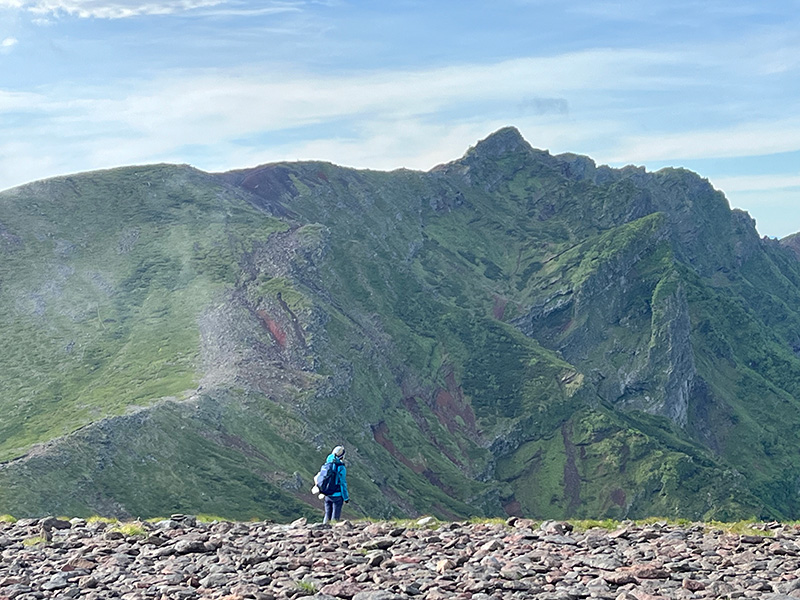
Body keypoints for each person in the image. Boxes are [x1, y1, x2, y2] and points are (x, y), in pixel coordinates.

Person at [320, 445, 349, 524]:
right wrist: (346, 498)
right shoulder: (341, 467)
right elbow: (342, 483)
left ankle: (323, 529)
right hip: (337, 495)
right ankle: (333, 533)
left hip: (327, 494)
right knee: (335, 516)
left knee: (327, 514)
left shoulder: (327, 464)